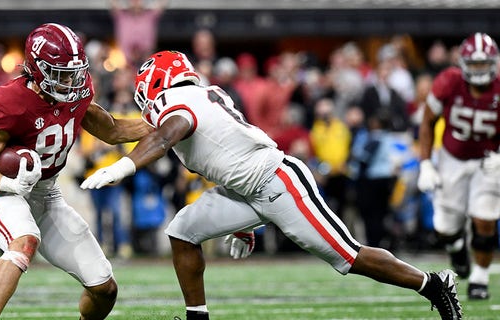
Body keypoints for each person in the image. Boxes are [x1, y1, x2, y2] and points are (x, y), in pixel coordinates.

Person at [80, 50, 462, 320]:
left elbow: (167, 135)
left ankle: (433, 285)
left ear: (157, 81)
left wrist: (124, 168)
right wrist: (77, 106)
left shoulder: (180, 102)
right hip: (243, 188)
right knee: (182, 231)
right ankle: (197, 317)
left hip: (276, 182)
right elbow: (118, 130)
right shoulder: (194, 97)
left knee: (348, 257)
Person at [0, 23, 152, 320]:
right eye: (61, 73)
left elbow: (112, 131)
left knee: (104, 287)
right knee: (24, 241)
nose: (71, 81)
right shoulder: (14, 101)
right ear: (37, 69)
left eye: (74, 71)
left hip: (47, 192)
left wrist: (163, 123)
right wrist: (10, 184)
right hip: (0, 189)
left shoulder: (76, 92)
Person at [417, 32, 500, 301]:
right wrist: (426, 163)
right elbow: (427, 122)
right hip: (452, 158)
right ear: (463, 64)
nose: (479, 70)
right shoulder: (449, 82)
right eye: (474, 65)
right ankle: (456, 246)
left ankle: (480, 279)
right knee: (445, 227)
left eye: (483, 64)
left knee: (485, 219)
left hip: (488, 159)